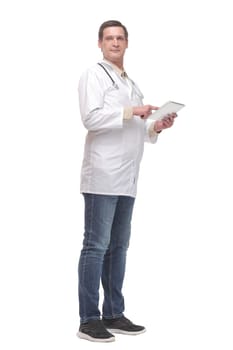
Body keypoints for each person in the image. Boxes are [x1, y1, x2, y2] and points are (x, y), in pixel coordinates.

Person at [77, 20, 176, 343]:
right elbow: (90, 118)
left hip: (127, 179)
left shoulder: (130, 83)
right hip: (102, 176)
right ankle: (89, 319)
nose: (115, 43)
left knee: (118, 248)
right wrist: (132, 111)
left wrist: (156, 126)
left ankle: (114, 313)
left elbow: (137, 129)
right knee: (96, 247)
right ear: (100, 43)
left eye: (120, 38)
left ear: (127, 43)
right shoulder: (95, 75)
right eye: (109, 38)